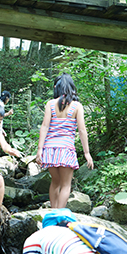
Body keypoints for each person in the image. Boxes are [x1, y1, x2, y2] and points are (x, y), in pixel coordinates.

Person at [36, 73, 93, 208]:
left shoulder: (50, 104)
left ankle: (53, 211)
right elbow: (82, 130)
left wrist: (40, 150)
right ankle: (59, 213)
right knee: (66, 185)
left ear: (57, 87)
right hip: (66, 149)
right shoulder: (77, 106)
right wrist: (87, 153)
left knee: (55, 182)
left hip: (50, 149)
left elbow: (44, 127)